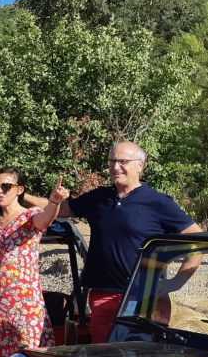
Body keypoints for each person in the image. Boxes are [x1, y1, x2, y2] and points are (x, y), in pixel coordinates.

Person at [25, 141, 202, 343]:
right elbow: (62, 209)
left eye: (123, 161)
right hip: (103, 296)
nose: (115, 167)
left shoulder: (158, 202)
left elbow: (196, 239)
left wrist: (176, 282)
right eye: (112, 161)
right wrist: (23, 196)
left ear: (140, 165)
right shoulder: (99, 198)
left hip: (144, 299)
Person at [0, 169, 69, 357]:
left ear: (19, 189)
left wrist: (55, 202)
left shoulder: (30, 217)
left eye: (6, 186)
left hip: (23, 309)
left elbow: (47, 217)